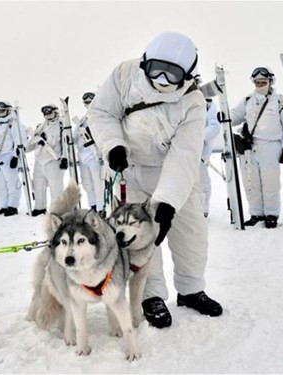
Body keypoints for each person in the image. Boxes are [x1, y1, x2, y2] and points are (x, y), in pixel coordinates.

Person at [88, 31, 223, 329]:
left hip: (176, 176)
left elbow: (185, 154)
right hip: (130, 171)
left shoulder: (193, 102)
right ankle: (151, 296)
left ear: (187, 75)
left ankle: (191, 289)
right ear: (145, 62)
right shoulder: (124, 75)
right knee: (140, 239)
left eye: (173, 73)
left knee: (191, 235)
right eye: (156, 69)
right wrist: (113, 145)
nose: (162, 79)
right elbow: (101, 112)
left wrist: (167, 203)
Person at [230, 67, 283, 228]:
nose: (260, 84)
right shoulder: (247, 100)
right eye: (257, 82)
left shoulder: (280, 101)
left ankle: (272, 214)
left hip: (271, 145)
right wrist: (224, 116)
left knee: (270, 181)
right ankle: (256, 213)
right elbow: (235, 116)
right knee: (251, 181)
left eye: (263, 82)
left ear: (270, 82)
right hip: (251, 147)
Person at [26, 104, 68, 217]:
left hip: (54, 161)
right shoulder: (41, 126)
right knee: (38, 185)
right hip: (40, 161)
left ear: (55, 112)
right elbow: (33, 143)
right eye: (45, 113)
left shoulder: (62, 126)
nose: (47, 114)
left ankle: (57, 210)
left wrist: (65, 157)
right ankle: (40, 208)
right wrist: (22, 148)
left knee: (56, 188)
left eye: (49, 112)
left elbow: (66, 143)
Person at [0, 101, 24, 217]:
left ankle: (13, 205)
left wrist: (15, 156)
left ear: (8, 110)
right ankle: (4, 205)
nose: (0, 112)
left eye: (2, 110)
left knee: (12, 182)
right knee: (1, 183)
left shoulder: (13, 123)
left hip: (8, 155)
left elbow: (19, 140)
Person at [73, 92, 105, 213]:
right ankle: (93, 205)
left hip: (95, 154)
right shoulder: (83, 119)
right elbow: (74, 138)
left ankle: (101, 208)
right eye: (86, 102)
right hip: (82, 154)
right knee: (86, 183)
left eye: (90, 102)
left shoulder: (100, 116)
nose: (88, 104)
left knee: (98, 183)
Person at [201, 98, 221, 218]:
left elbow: (214, 126)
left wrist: (198, 138)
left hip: (201, 148)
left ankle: (203, 209)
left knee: (201, 179)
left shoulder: (208, 104)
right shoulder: (178, 99)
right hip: (181, 146)